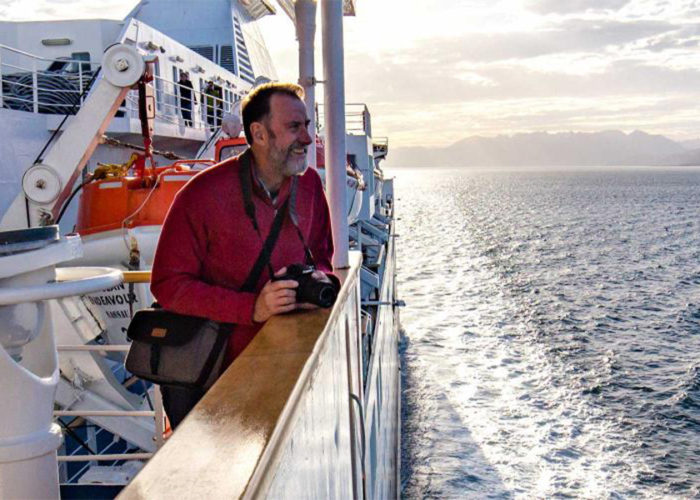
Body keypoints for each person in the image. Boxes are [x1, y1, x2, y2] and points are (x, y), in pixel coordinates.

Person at [150, 82, 337, 428]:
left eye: (307, 126)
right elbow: (167, 285)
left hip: (285, 370)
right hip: (215, 377)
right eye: (294, 127)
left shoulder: (309, 185)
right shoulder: (202, 195)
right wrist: (252, 307)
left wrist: (317, 284)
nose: (308, 139)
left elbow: (323, 256)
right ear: (259, 133)